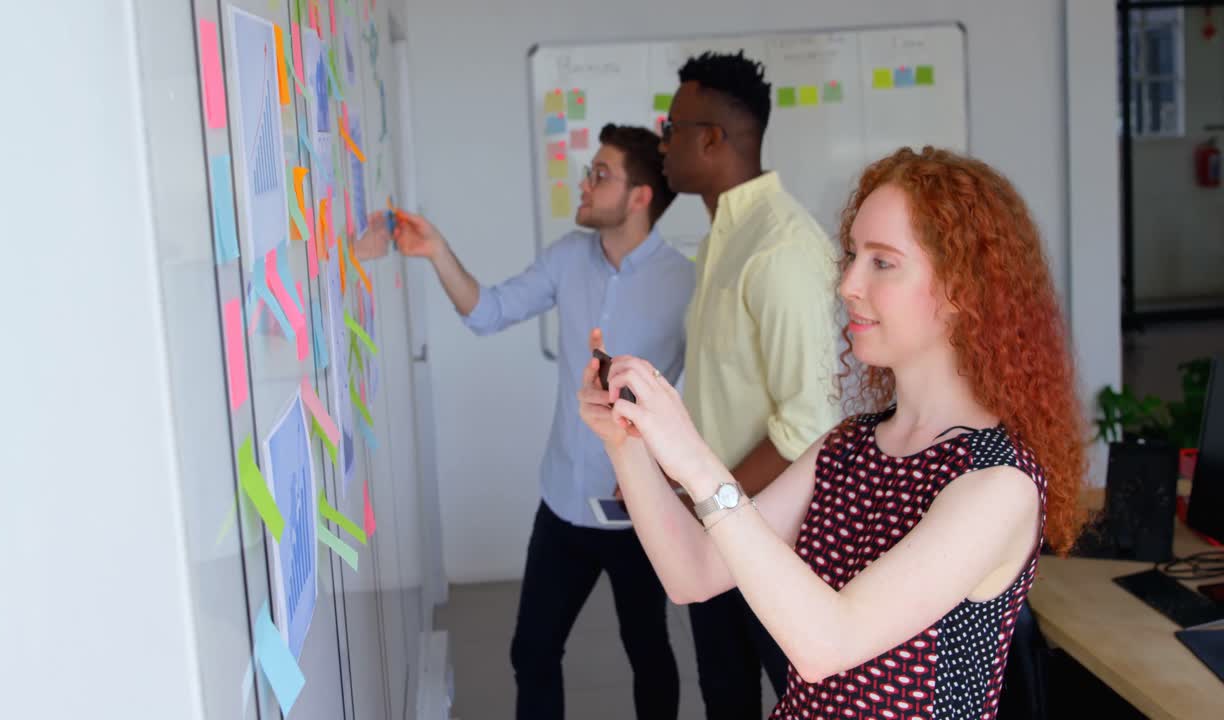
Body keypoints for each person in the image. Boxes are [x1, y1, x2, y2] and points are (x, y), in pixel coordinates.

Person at [580, 147, 1087, 719]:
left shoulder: (998, 484)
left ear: (961, 290)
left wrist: (694, 460)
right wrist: (625, 443)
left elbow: (829, 644)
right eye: (852, 256)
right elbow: (693, 574)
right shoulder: (848, 445)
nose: (847, 283)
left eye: (883, 262)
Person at [387, 124, 694, 720]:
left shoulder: (683, 283)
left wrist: (671, 477)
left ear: (639, 197)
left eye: (600, 174)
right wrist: (437, 252)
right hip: (564, 504)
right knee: (532, 650)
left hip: (639, 511)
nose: (585, 183)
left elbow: (699, 394)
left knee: (648, 651)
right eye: (588, 172)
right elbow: (489, 311)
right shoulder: (566, 257)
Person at [659, 49, 842, 717]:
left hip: (776, 538)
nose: (663, 143)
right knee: (725, 695)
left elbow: (808, 425)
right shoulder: (722, 239)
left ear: (713, 138)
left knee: (802, 699)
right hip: (725, 526)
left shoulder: (781, 248)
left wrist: (708, 507)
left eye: (672, 127)